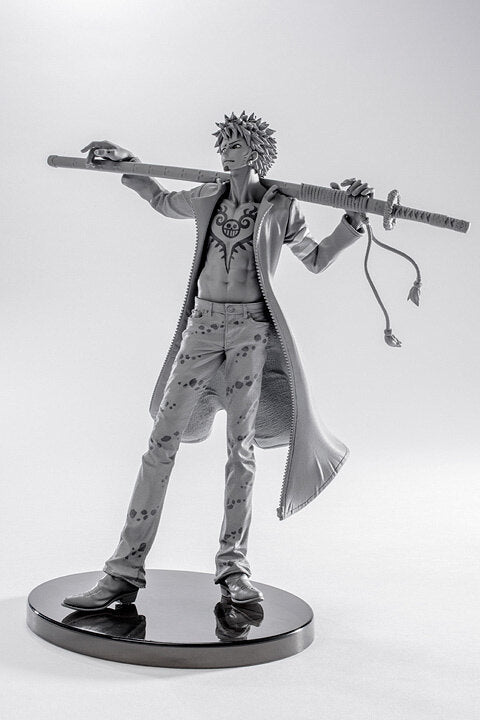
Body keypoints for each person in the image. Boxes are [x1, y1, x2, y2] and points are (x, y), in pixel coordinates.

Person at [62, 111, 373, 611]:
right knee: (160, 445)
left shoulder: (281, 207)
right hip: (202, 328)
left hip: (251, 333)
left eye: (233, 145)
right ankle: (123, 570)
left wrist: (352, 219)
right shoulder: (206, 194)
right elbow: (161, 199)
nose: (224, 152)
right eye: (222, 144)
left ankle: (233, 568)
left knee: (240, 451)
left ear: (255, 152)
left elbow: (315, 258)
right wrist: (128, 162)